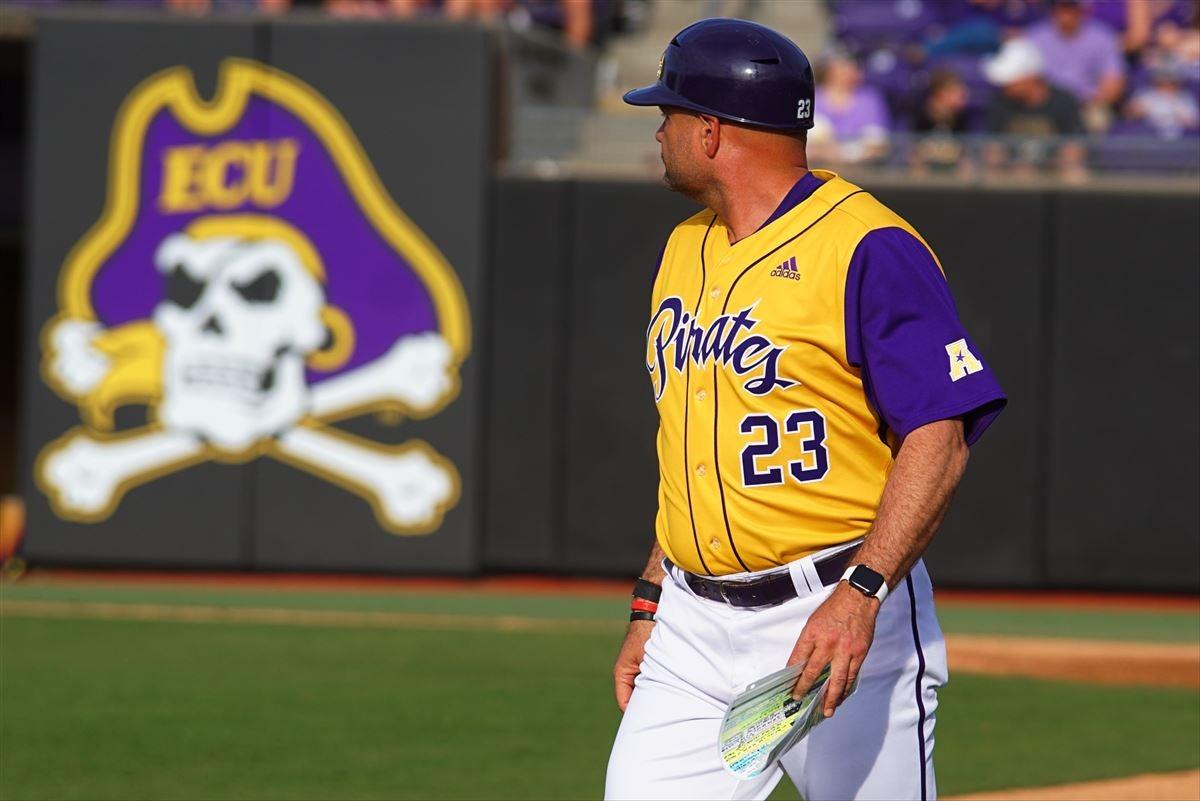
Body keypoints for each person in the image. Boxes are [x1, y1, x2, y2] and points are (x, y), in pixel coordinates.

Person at [610, 18, 1006, 801]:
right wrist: (652, 598)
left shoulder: (867, 246)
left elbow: (941, 433)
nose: (660, 130)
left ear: (714, 131)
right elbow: (692, 449)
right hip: (691, 630)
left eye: (671, 113)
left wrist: (861, 594)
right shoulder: (684, 247)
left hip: (833, 616)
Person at [982, 37, 1087, 177]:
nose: (1005, 86)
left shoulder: (1064, 101)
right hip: (1011, 174)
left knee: (1076, 175)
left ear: (1030, 76)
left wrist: (1044, 168)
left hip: (1054, 172)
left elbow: (1075, 147)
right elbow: (992, 148)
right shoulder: (999, 103)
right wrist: (1009, 166)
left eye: (1011, 79)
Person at [1025, 0, 1126, 130]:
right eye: (1061, 7)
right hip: (1044, 104)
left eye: (1071, 7)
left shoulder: (1103, 37)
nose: (1066, 13)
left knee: (1098, 118)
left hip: (1086, 104)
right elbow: (1025, 80)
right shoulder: (1034, 37)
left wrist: (1092, 101)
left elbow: (1113, 83)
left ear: (1082, 10)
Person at [807, 50, 892, 165]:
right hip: (818, 167)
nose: (849, 71)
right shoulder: (811, 96)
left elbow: (878, 144)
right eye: (843, 66)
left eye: (853, 67)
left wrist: (846, 155)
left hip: (860, 168)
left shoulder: (870, 100)